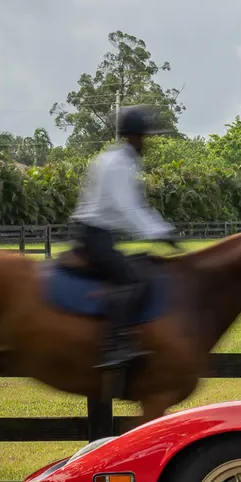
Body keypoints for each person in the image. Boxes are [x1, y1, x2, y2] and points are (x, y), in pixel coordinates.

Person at [69, 105, 179, 369]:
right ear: (133, 136)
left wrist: (159, 229)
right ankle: (115, 346)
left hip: (94, 232)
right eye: (144, 137)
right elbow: (127, 207)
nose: (146, 142)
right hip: (95, 234)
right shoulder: (119, 164)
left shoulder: (111, 158)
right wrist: (160, 233)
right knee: (131, 280)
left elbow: (132, 208)